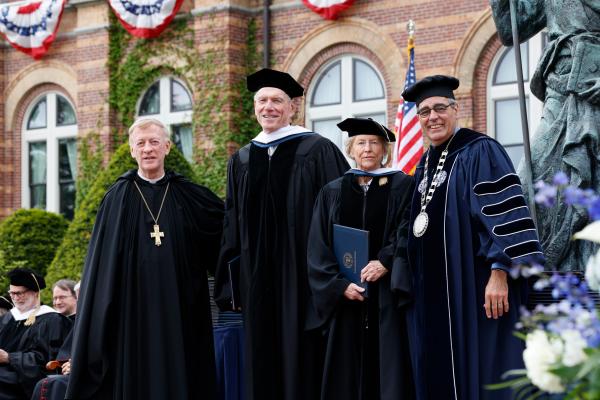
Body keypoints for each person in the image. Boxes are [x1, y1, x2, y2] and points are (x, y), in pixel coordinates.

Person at [402, 75, 544, 400]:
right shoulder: (425, 164)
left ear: (456, 109)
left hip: (474, 289)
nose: (432, 117)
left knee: (481, 375)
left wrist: (500, 272)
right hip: (432, 294)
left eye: (440, 108)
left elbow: (505, 217)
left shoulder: (480, 150)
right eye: (424, 112)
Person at [214, 68, 349, 400]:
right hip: (257, 280)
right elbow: (232, 223)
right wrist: (232, 284)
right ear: (254, 107)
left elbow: (341, 214)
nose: (268, 107)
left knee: (305, 356)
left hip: (306, 280)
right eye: (262, 100)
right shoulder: (243, 159)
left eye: (277, 100)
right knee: (261, 360)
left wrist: (338, 277)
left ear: (293, 107)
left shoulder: (317, 150)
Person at [65, 118, 224, 400]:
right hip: (132, 310)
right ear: (131, 151)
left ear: (167, 147)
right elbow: (101, 266)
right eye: (141, 143)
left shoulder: (188, 195)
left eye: (153, 142)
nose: (147, 149)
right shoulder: (117, 197)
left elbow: (226, 231)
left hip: (181, 307)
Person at [307, 117, 415, 400]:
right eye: (361, 143)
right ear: (351, 150)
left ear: (384, 151)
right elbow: (318, 246)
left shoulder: (403, 186)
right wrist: (338, 285)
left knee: (390, 367)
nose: (367, 149)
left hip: (387, 296)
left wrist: (386, 261)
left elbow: (408, 231)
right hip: (346, 300)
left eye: (374, 143)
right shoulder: (332, 191)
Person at [490, 0, 600, 271]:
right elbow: (510, 29)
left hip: (594, 85)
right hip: (560, 87)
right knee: (530, 180)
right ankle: (534, 273)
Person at [0, 268, 71, 399]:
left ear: (35, 293)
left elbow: (47, 359)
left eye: (20, 293)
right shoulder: (8, 318)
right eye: (12, 293)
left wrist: (9, 357)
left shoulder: (53, 320)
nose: (15, 298)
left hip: (24, 377)